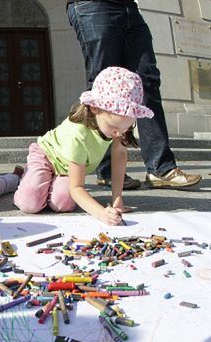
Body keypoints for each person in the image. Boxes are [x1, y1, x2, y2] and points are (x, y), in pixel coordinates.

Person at [67, 0, 201, 189]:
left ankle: (160, 168)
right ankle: (108, 171)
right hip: (93, 5)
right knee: (103, 85)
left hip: (128, 7)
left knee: (146, 80)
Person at [14, 67, 152, 226]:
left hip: (68, 168)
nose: (119, 134)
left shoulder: (118, 126)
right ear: (95, 108)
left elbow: (119, 154)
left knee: (62, 204)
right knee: (30, 203)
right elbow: (77, 187)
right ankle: (19, 178)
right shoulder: (78, 134)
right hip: (46, 157)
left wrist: (117, 198)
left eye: (126, 128)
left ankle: (46, 183)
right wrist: (101, 213)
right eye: (114, 128)